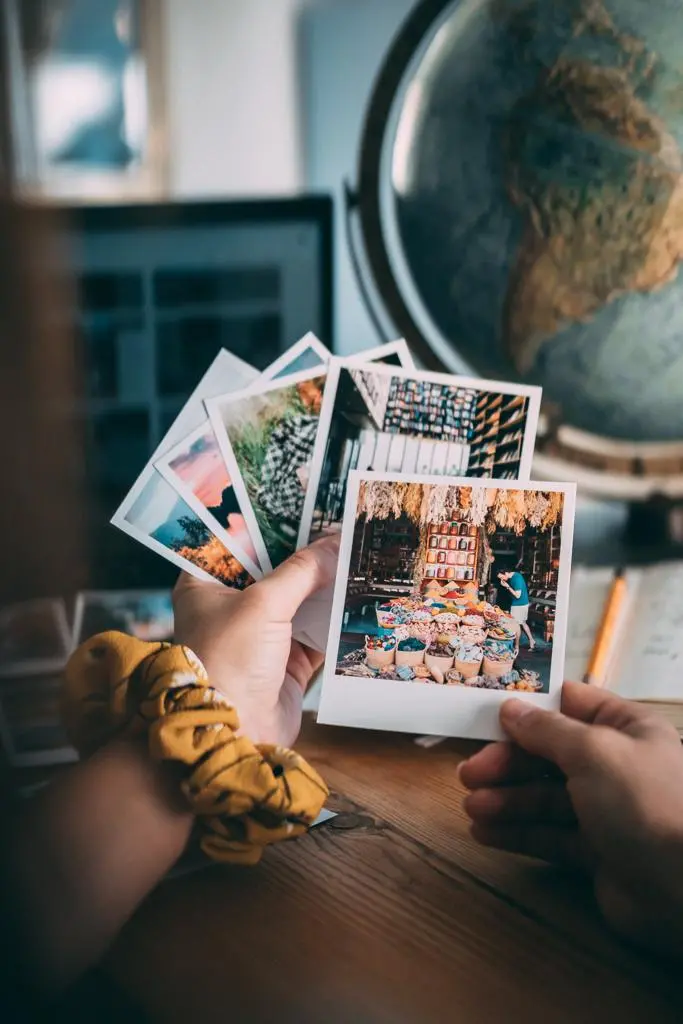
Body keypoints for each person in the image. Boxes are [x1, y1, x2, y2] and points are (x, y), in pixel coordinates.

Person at [497, 561, 535, 651]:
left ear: (505, 573)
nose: (501, 579)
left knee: (516, 625)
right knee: (523, 623)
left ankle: (516, 646)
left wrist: (507, 586)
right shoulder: (514, 576)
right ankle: (532, 641)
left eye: (501, 577)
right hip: (522, 603)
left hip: (519, 605)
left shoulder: (516, 579)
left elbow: (517, 595)